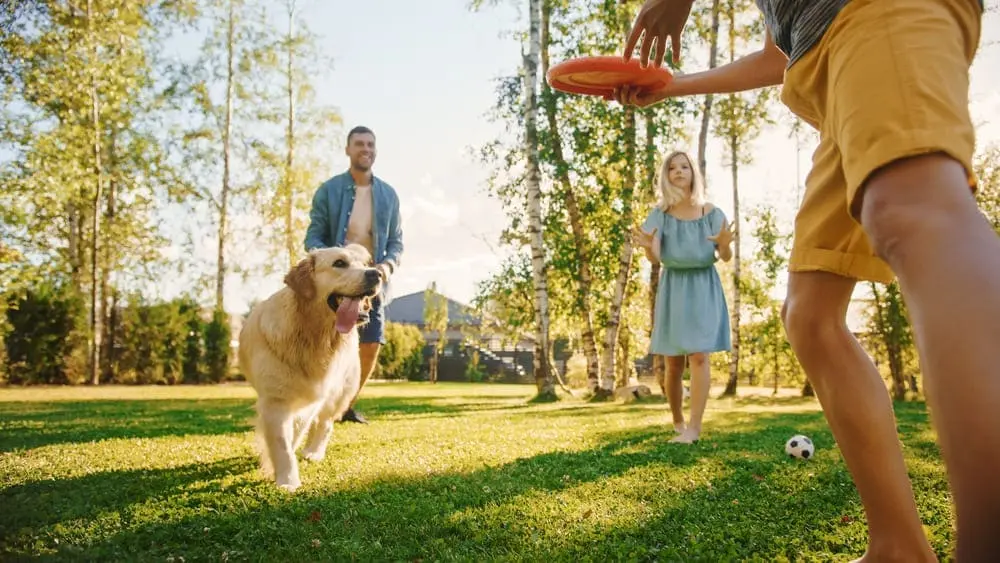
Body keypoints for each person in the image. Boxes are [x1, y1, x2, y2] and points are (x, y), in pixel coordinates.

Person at [617, 0, 998, 561]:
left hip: (881, 15)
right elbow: (780, 51)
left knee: (913, 212)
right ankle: (898, 548)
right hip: (828, 68)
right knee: (811, 316)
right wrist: (674, 86)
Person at [304, 125, 404, 425]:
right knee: (323, 342)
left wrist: (386, 267)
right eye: (359, 144)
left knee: (371, 341)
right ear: (347, 149)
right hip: (335, 285)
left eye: (371, 144)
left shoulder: (388, 195)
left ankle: (344, 406)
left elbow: (397, 242)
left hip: (372, 282)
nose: (366, 149)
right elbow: (313, 236)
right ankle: (315, 402)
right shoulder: (329, 190)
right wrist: (332, 261)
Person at [634, 150, 734, 445]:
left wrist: (725, 245)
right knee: (674, 363)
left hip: (704, 285)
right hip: (674, 287)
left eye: (684, 166)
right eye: (672, 168)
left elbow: (724, 257)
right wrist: (646, 247)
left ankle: (694, 428)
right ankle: (677, 420)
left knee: (700, 355)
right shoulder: (659, 215)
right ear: (666, 176)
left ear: (694, 173)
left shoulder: (712, 213)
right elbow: (657, 258)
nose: (678, 171)